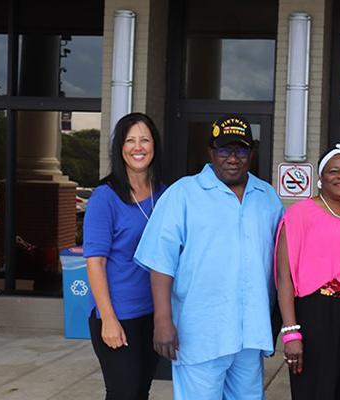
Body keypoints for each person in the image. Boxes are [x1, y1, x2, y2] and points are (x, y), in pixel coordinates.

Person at [134, 116, 284, 399]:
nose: (233, 158)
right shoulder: (183, 194)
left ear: (251, 153)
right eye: (225, 150)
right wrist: (163, 320)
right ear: (211, 152)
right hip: (200, 332)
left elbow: (282, 261)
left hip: (250, 334)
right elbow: (160, 262)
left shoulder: (267, 197)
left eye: (240, 151)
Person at [275, 143, 340, 399]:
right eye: (334, 171)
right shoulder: (299, 214)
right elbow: (284, 277)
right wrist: (290, 332)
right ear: (321, 177)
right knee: (315, 389)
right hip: (316, 313)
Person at [83, 112, 164, 400]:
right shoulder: (105, 197)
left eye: (144, 139)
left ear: (155, 145)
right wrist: (108, 319)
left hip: (153, 314)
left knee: (141, 391)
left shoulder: (163, 194)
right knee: (123, 393)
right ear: (120, 148)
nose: (138, 147)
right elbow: (95, 262)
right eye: (130, 140)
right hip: (119, 314)